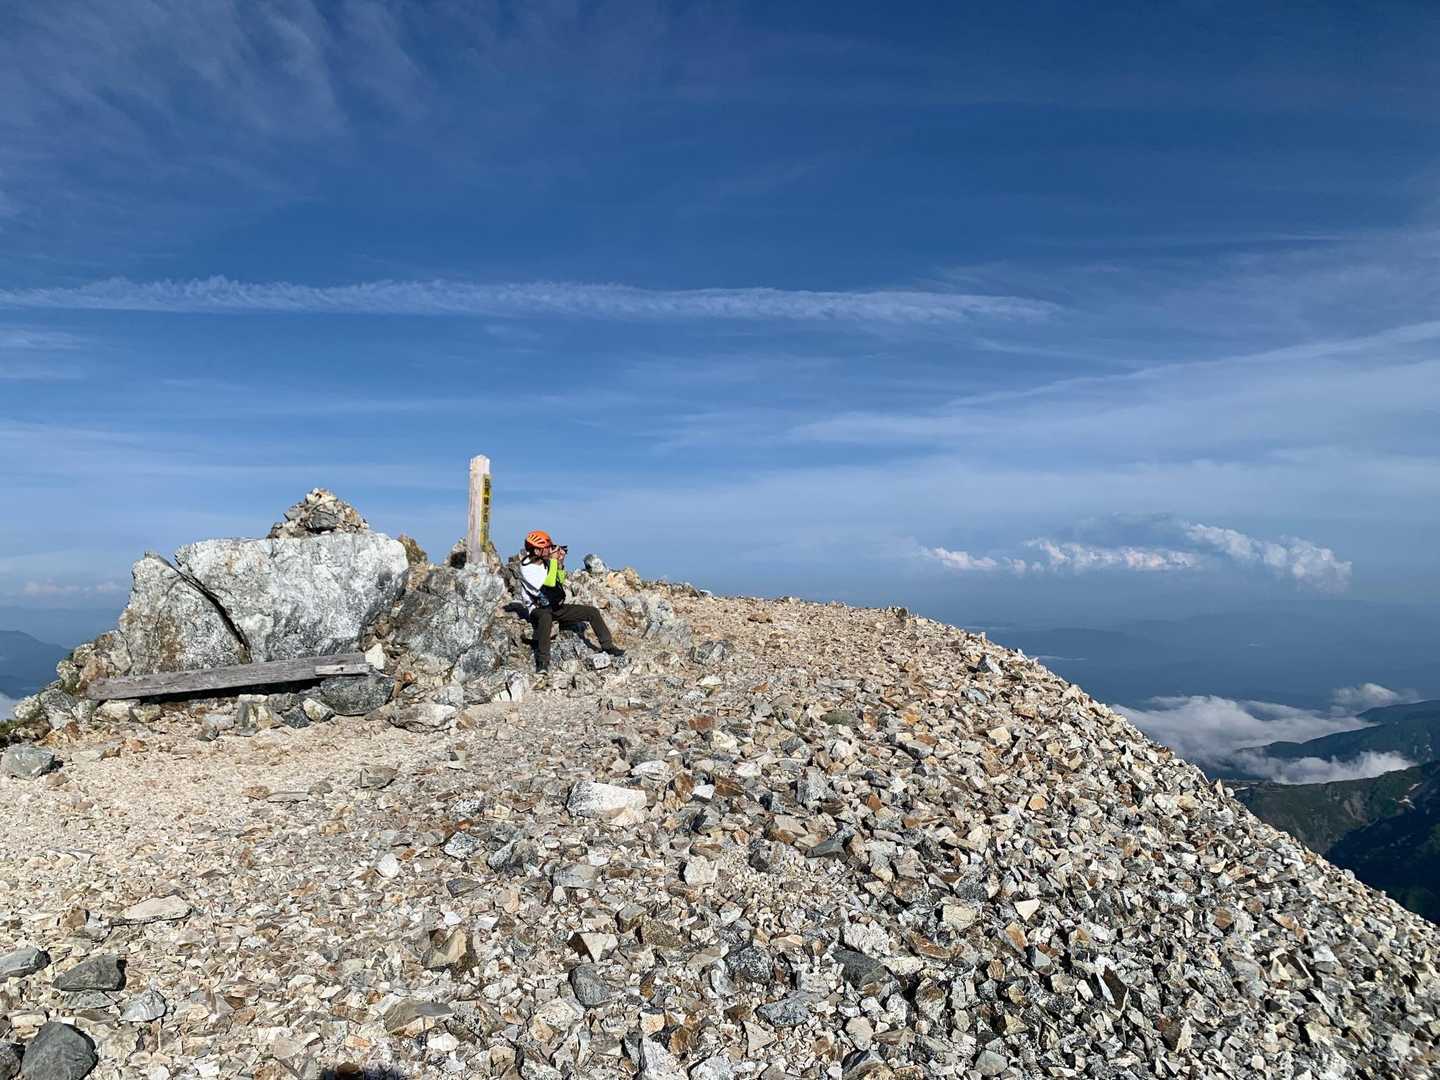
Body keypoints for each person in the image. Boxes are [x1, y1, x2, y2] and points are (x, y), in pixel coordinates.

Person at [517, 530, 625, 674]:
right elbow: (548, 584)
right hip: (538, 608)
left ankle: (608, 646)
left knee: (592, 612)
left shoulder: (545, 562)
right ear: (536, 551)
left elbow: (558, 581)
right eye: (546, 547)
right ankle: (543, 663)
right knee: (545, 618)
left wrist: (560, 563)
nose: (549, 550)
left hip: (555, 605)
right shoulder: (527, 568)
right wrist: (553, 561)